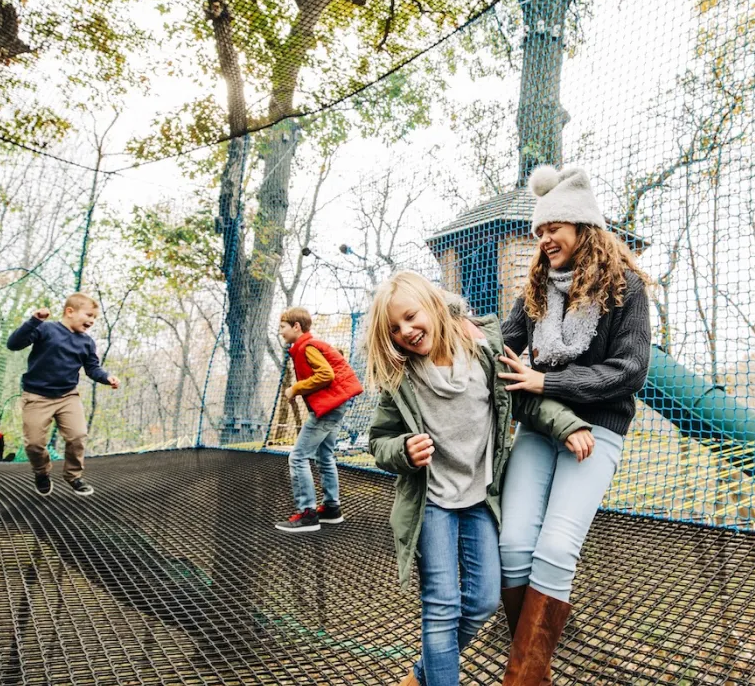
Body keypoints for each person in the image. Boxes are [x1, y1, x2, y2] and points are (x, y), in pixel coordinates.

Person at [366, 272, 593, 686]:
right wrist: (403, 450)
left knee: (484, 600)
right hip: (431, 502)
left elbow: (525, 400)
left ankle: (423, 674)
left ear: (434, 306)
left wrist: (567, 425)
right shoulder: (402, 379)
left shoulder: (482, 349)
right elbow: (380, 441)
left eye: (411, 317)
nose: (406, 332)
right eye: (395, 329)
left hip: (479, 499)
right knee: (441, 604)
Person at [496, 164, 652, 685]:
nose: (543, 240)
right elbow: (504, 348)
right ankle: (531, 663)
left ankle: (522, 677)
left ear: (581, 226)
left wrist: (547, 383)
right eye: (539, 232)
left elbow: (629, 370)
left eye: (552, 229)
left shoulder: (626, 289)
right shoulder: (536, 295)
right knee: (514, 544)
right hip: (540, 429)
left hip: (598, 430)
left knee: (557, 548)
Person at [6, 292, 120, 497]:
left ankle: (74, 476)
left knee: (77, 435)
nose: (92, 321)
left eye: (94, 318)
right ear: (70, 311)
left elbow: (92, 368)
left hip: (68, 397)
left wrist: (107, 377)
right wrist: (33, 321)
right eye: (88, 315)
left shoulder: (87, 343)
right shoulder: (46, 329)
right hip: (36, 397)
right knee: (33, 444)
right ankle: (41, 472)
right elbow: (13, 344)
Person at [274, 307, 364, 533]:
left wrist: (295, 388)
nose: (281, 332)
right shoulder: (306, 347)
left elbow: (325, 375)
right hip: (335, 405)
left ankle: (307, 514)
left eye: (283, 327)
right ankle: (331, 509)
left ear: (296, 327)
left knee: (298, 457)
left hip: (329, 408)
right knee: (325, 455)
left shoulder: (307, 346)